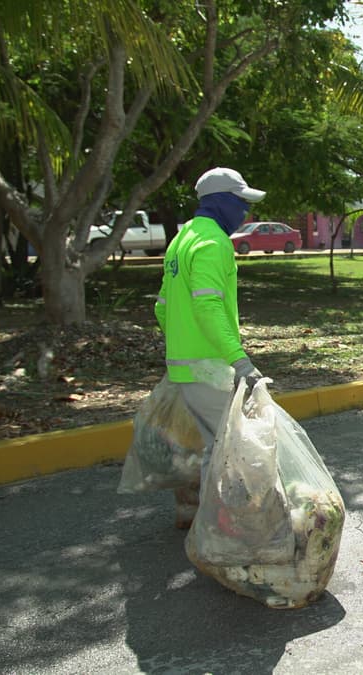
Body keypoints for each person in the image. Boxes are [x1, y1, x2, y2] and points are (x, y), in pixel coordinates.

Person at [154, 167, 266, 528]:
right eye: (241, 203)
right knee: (225, 452)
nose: (245, 212)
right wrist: (239, 360)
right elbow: (208, 306)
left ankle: (191, 513)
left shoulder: (182, 239)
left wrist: (181, 343)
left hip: (183, 367)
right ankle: (217, 531)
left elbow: (161, 306)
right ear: (219, 202)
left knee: (205, 447)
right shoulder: (213, 242)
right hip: (211, 368)